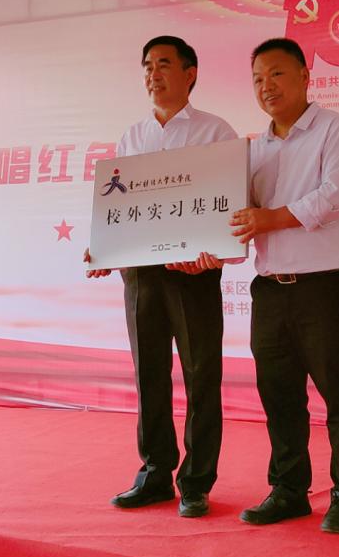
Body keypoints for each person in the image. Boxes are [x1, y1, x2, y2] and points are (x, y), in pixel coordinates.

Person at [86, 36, 237, 518]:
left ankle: (196, 481)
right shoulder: (133, 137)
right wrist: (105, 247)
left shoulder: (215, 131)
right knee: (149, 373)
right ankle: (154, 474)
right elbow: (123, 206)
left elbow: (227, 203)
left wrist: (215, 254)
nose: (153, 74)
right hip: (142, 276)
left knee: (200, 376)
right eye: (148, 66)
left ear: (190, 74)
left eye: (164, 64)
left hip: (193, 273)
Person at [230, 37, 339, 534]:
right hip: (270, 289)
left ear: (305, 76)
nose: (266, 86)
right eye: (257, 79)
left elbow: (335, 196)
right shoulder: (252, 150)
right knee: (280, 398)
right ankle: (289, 490)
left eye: (276, 74)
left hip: (324, 287)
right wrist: (198, 244)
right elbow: (235, 214)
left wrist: (270, 218)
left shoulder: (335, 129)